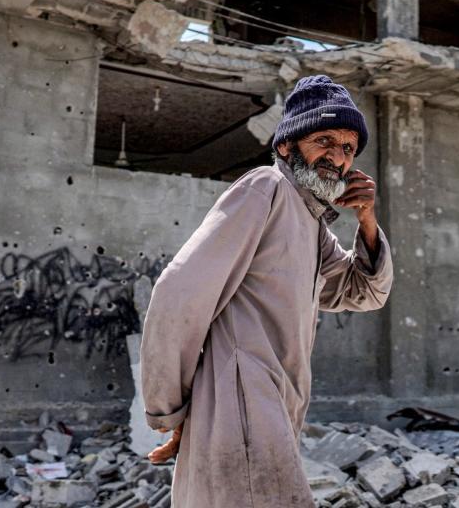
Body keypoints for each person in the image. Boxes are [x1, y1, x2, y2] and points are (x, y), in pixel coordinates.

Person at [141, 75, 394, 507]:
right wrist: (169, 408)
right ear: (285, 146)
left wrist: (367, 219)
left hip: (270, 410)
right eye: (324, 140)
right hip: (243, 410)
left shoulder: (311, 221)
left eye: (348, 148)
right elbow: (178, 295)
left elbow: (363, 293)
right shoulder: (268, 188)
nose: (337, 156)